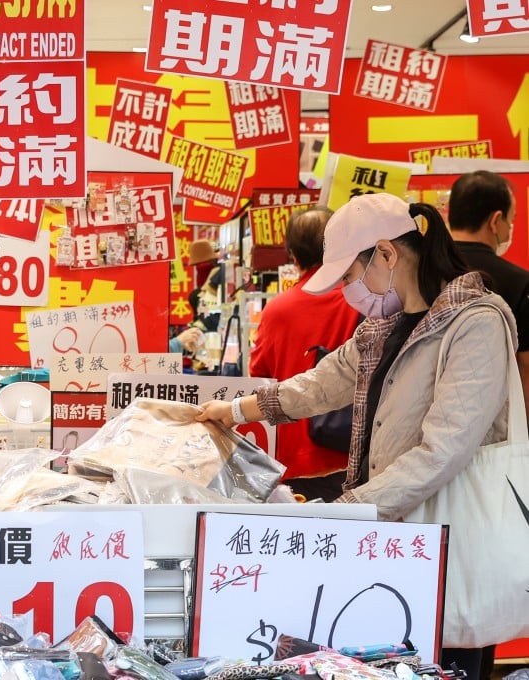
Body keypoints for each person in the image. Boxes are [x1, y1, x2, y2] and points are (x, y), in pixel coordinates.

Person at [195, 193, 513, 679]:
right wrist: (234, 410)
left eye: (348, 276)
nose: (347, 290)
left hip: (445, 544)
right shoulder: (382, 326)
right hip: (389, 540)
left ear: (387, 254)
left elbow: (442, 450)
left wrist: (352, 514)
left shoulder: (476, 323)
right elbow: (320, 384)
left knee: (445, 660)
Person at [248, 206, 361, 500]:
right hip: (351, 454)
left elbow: (259, 377)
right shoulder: (362, 301)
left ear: (293, 256)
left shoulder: (277, 310)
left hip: (291, 457)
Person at [448, 169, 529, 429]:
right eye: (510, 219)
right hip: (491, 426)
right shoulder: (518, 282)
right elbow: (527, 367)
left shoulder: (419, 273)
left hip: (421, 427)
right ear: (496, 221)